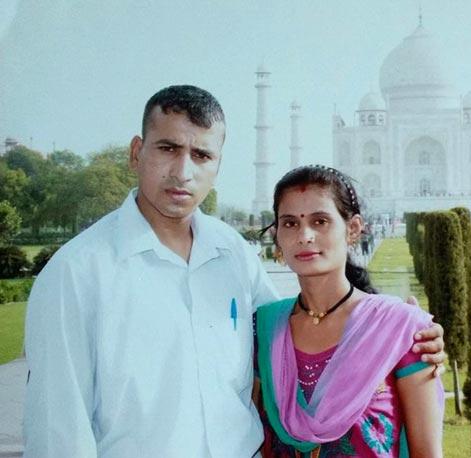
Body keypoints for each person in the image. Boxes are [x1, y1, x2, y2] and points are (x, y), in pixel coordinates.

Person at [23, 85, 445, 458]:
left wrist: (398, 335)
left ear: (217, 165)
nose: (183, 171)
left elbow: (289, 335)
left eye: (201, 155)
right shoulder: (78, 274)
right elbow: (58, 431)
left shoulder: (231, 253)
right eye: (168, 148)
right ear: (137, 152)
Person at [256, 166, 444, 457]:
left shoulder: (400, 329)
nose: (305, 235)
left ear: (353, 228)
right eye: (290, 223)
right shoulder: (266, 329)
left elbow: (426, 452)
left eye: (320, 221)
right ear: (277, 235)